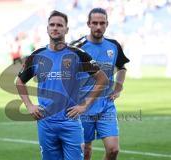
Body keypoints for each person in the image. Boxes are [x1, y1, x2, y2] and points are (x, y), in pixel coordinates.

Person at [16, 10, 108, 160]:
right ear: (47, 29)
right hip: (46, 122)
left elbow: (102, 79)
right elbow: (19, 81)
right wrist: (29, 105)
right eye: (52, 25)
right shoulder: (37, 55)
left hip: (70, 122)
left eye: (59, 25)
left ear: (66, 29)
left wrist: (84, 105)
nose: (55, 28)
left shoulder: (78, 54)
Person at [71, 8, 130, 160]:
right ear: (88, 24)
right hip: (83, 105)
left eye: (102, 23)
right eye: (95, 23)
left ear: (107, 24)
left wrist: (118, 88)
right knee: (86, 150)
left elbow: (122, 67)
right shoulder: (77, 46)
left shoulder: (113, 46)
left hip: (106, 105)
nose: (98, 26)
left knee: (113, 150)